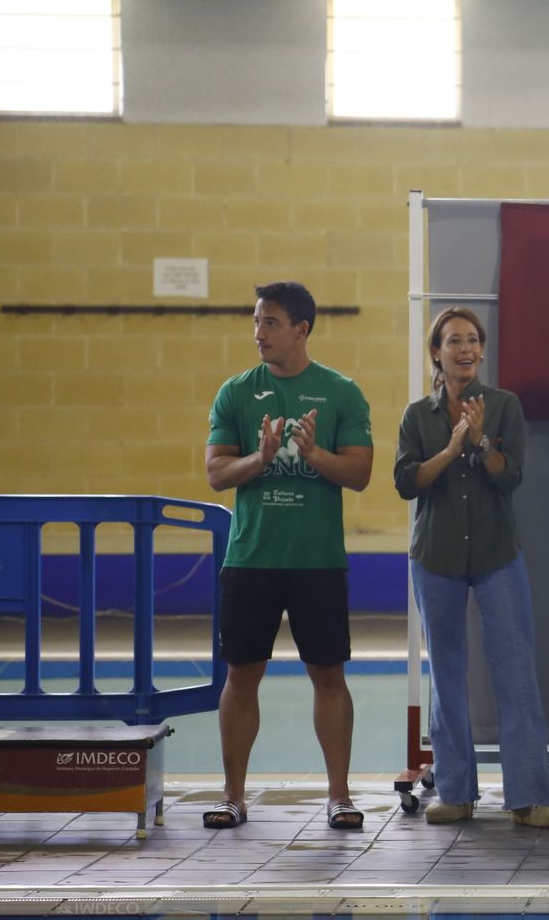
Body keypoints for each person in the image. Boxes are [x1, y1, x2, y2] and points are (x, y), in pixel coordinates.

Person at [203, 281, 373, 832]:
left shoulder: (341, 393)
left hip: (316, 560)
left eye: (270, 323)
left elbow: (360, 473)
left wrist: (314, 452)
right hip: (251, 558)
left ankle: (339, 796)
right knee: (241, 675)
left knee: (328, 675)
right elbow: (216, 473)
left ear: (301, 329)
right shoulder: (235, 393)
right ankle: (233, 795)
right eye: (256, 321)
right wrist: (261, 457)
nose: (259, 333)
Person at [394, 307, 549, 828]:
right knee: (446, 674)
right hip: (436, 557)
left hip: (496, 554)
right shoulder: (417, 416)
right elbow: (406, 482)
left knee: (515, 671)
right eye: (454, 341)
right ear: (436, 353)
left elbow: (509, 478)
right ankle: (456, 793)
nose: (465, 349)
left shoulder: (504, 407)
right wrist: (451, 449)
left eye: (472, 340)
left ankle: (528, 797)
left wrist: (482, 441)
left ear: (481, 351)